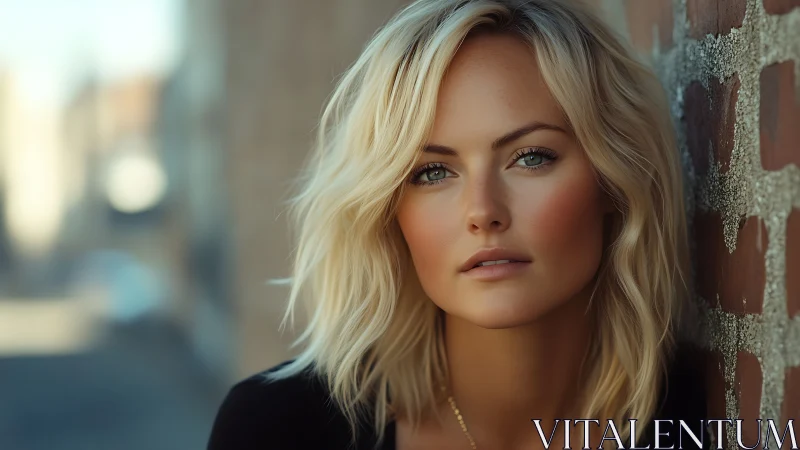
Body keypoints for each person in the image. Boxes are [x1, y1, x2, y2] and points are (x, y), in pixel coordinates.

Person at [207, 0, 708, 449]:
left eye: (530, 157)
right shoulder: (276, 429)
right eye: (433, 172)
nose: (482, 211)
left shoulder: (710, 417)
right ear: (389, 208)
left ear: (613, 181)